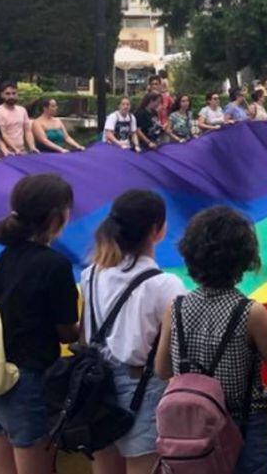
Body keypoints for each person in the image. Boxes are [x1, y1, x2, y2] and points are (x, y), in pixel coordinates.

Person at [155, 206, 267, 474]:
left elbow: (162, 370)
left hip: (191, 428)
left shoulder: (174, 308)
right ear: (244, 258)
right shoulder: (250, 312)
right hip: (244, 426)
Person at [0, 174, 79, 474]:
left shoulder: (3, 258)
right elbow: (67, 332)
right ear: (58, 215)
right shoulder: (54, 265)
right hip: (27, 381)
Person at [82, 190, 186, 474]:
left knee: (104, 465)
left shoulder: (90, 273)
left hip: (96, 385)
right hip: (142, 388)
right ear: (156, 230)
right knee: (144, 466)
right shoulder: (165, 284)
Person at [0, 82, 36, 155]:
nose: (11, 96)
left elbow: (28, 131)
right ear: (1, 95)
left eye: (14, 93)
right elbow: (1, 135)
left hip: (21, 150)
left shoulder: (22, 110)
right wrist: (13, 149)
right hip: (5, 152)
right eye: (8, 94)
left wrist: (32, 147)